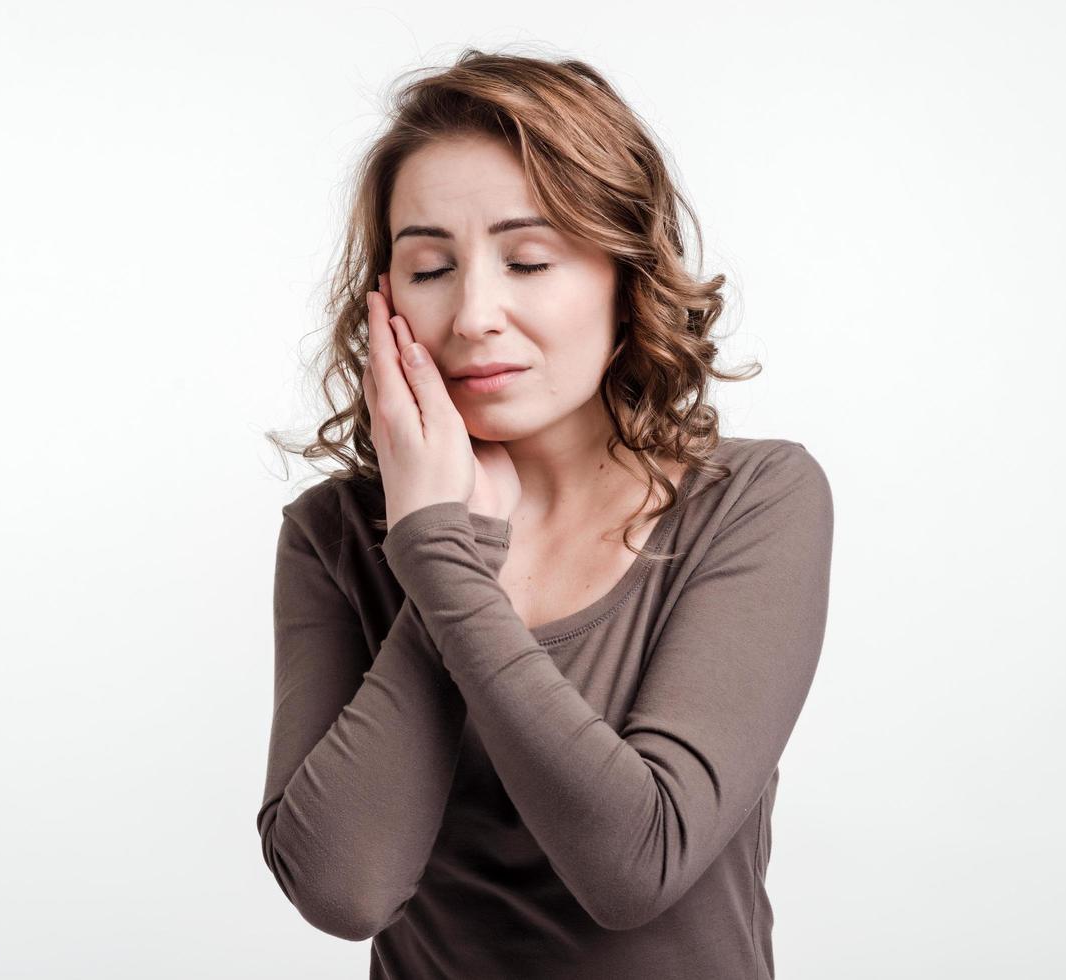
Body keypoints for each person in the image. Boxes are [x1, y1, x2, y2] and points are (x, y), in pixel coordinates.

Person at [257, 47, 834, 980]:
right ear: (385, 302)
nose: (475, 313)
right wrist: (447, 542)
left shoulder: (754, 501)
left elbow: (636, 865)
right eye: (430, 268)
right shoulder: (332, 535)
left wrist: (442, 559)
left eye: (528, 259)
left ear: (624, 273)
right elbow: (343, 891)